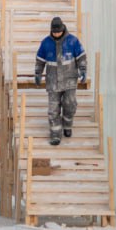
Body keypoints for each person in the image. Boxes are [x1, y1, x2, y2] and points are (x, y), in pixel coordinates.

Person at [34, 16, 87, 145]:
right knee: (53, 109)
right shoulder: (46, 43)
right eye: (54, 32)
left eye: (58, 31)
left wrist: (83, 70)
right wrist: (38, 73)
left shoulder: (73, 41)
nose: (56, 34)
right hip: (53, 81)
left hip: (69, 80)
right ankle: (55, 134)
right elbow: (40, 60)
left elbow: (81, 56)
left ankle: (67, 125)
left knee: (70, 104)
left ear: (63, 29)